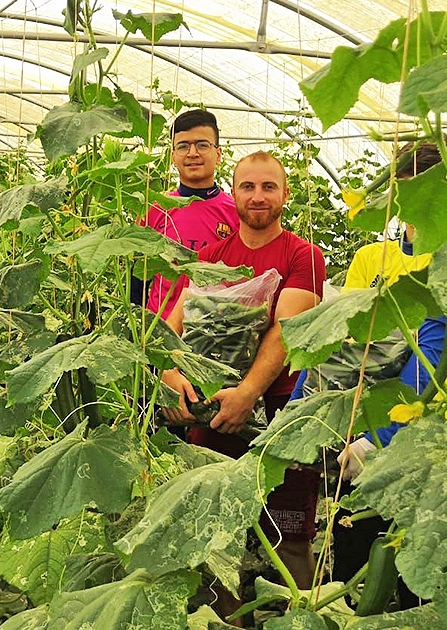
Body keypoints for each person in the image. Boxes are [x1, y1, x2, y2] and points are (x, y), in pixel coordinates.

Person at [292, 137, 447, 606]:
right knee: (356, 571)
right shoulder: (372, 259)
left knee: (422, 584)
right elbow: (343, 348)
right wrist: (298, 415)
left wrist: (384, 437)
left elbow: (439, 357)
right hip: (361, 437)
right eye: (405, 189)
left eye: (427, 190)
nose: (414, 203)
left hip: (435, 443)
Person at [162, 151, 326, 589]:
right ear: (233, 192)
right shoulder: (211, 256)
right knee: (216, 537)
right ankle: (228, 619)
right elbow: (170, 327)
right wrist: (171, 378)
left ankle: (298, 617)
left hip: (281, 415)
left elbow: (284, 332)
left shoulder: (303, 255)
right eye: (248, 186)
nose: (258, 196)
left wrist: (247, 394)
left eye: (268, 187)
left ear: (285, 195)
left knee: (290, 535)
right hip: (212, 411)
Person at [137, 108, 239, 316]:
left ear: (218, 154)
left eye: (202, 145)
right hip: (159, 332)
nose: (193, 153)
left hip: (215, 331)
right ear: (173, 156)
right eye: (183, 146)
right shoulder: (155, 209)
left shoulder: (237, 213)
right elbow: (138, 277)